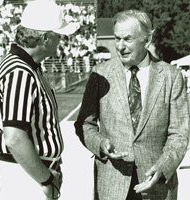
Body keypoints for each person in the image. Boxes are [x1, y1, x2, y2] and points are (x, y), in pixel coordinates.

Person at [74, 9, 190, 200]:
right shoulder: (100, 74)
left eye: (127, 39)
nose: (120, 46)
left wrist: (163, 167)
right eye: (117, 38)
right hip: (112, 186)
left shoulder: (171, 76)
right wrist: (101, 144)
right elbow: (85, 124)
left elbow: (180, 133)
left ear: (146, 41)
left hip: (157, 186)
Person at [0, 0, 78, 199]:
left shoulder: (26, 67)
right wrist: (46, 179)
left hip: (28, 174)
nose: (61, 41)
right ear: (45, 38)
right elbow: (14, 137)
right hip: (24, 178)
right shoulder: (19, 72)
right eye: (59, 36)